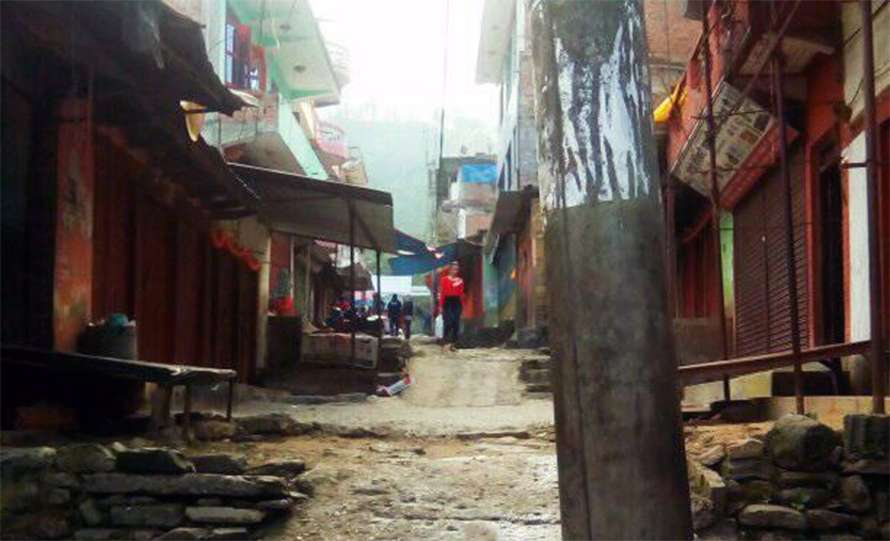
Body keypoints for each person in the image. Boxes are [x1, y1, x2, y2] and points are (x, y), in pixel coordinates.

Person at [438, 261, 464, 350]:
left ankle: (454, 343)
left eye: (457, 269)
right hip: (447, 302)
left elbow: (460, 294)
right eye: (453, 269)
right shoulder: (444, 279)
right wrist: (440, 306)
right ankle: (445, 341)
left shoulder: (460, 280)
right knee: (448, 322)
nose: (455, 271)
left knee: (456, 323)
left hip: (456, 302)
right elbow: (442, 293)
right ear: (450, 270)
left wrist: (461, 306)